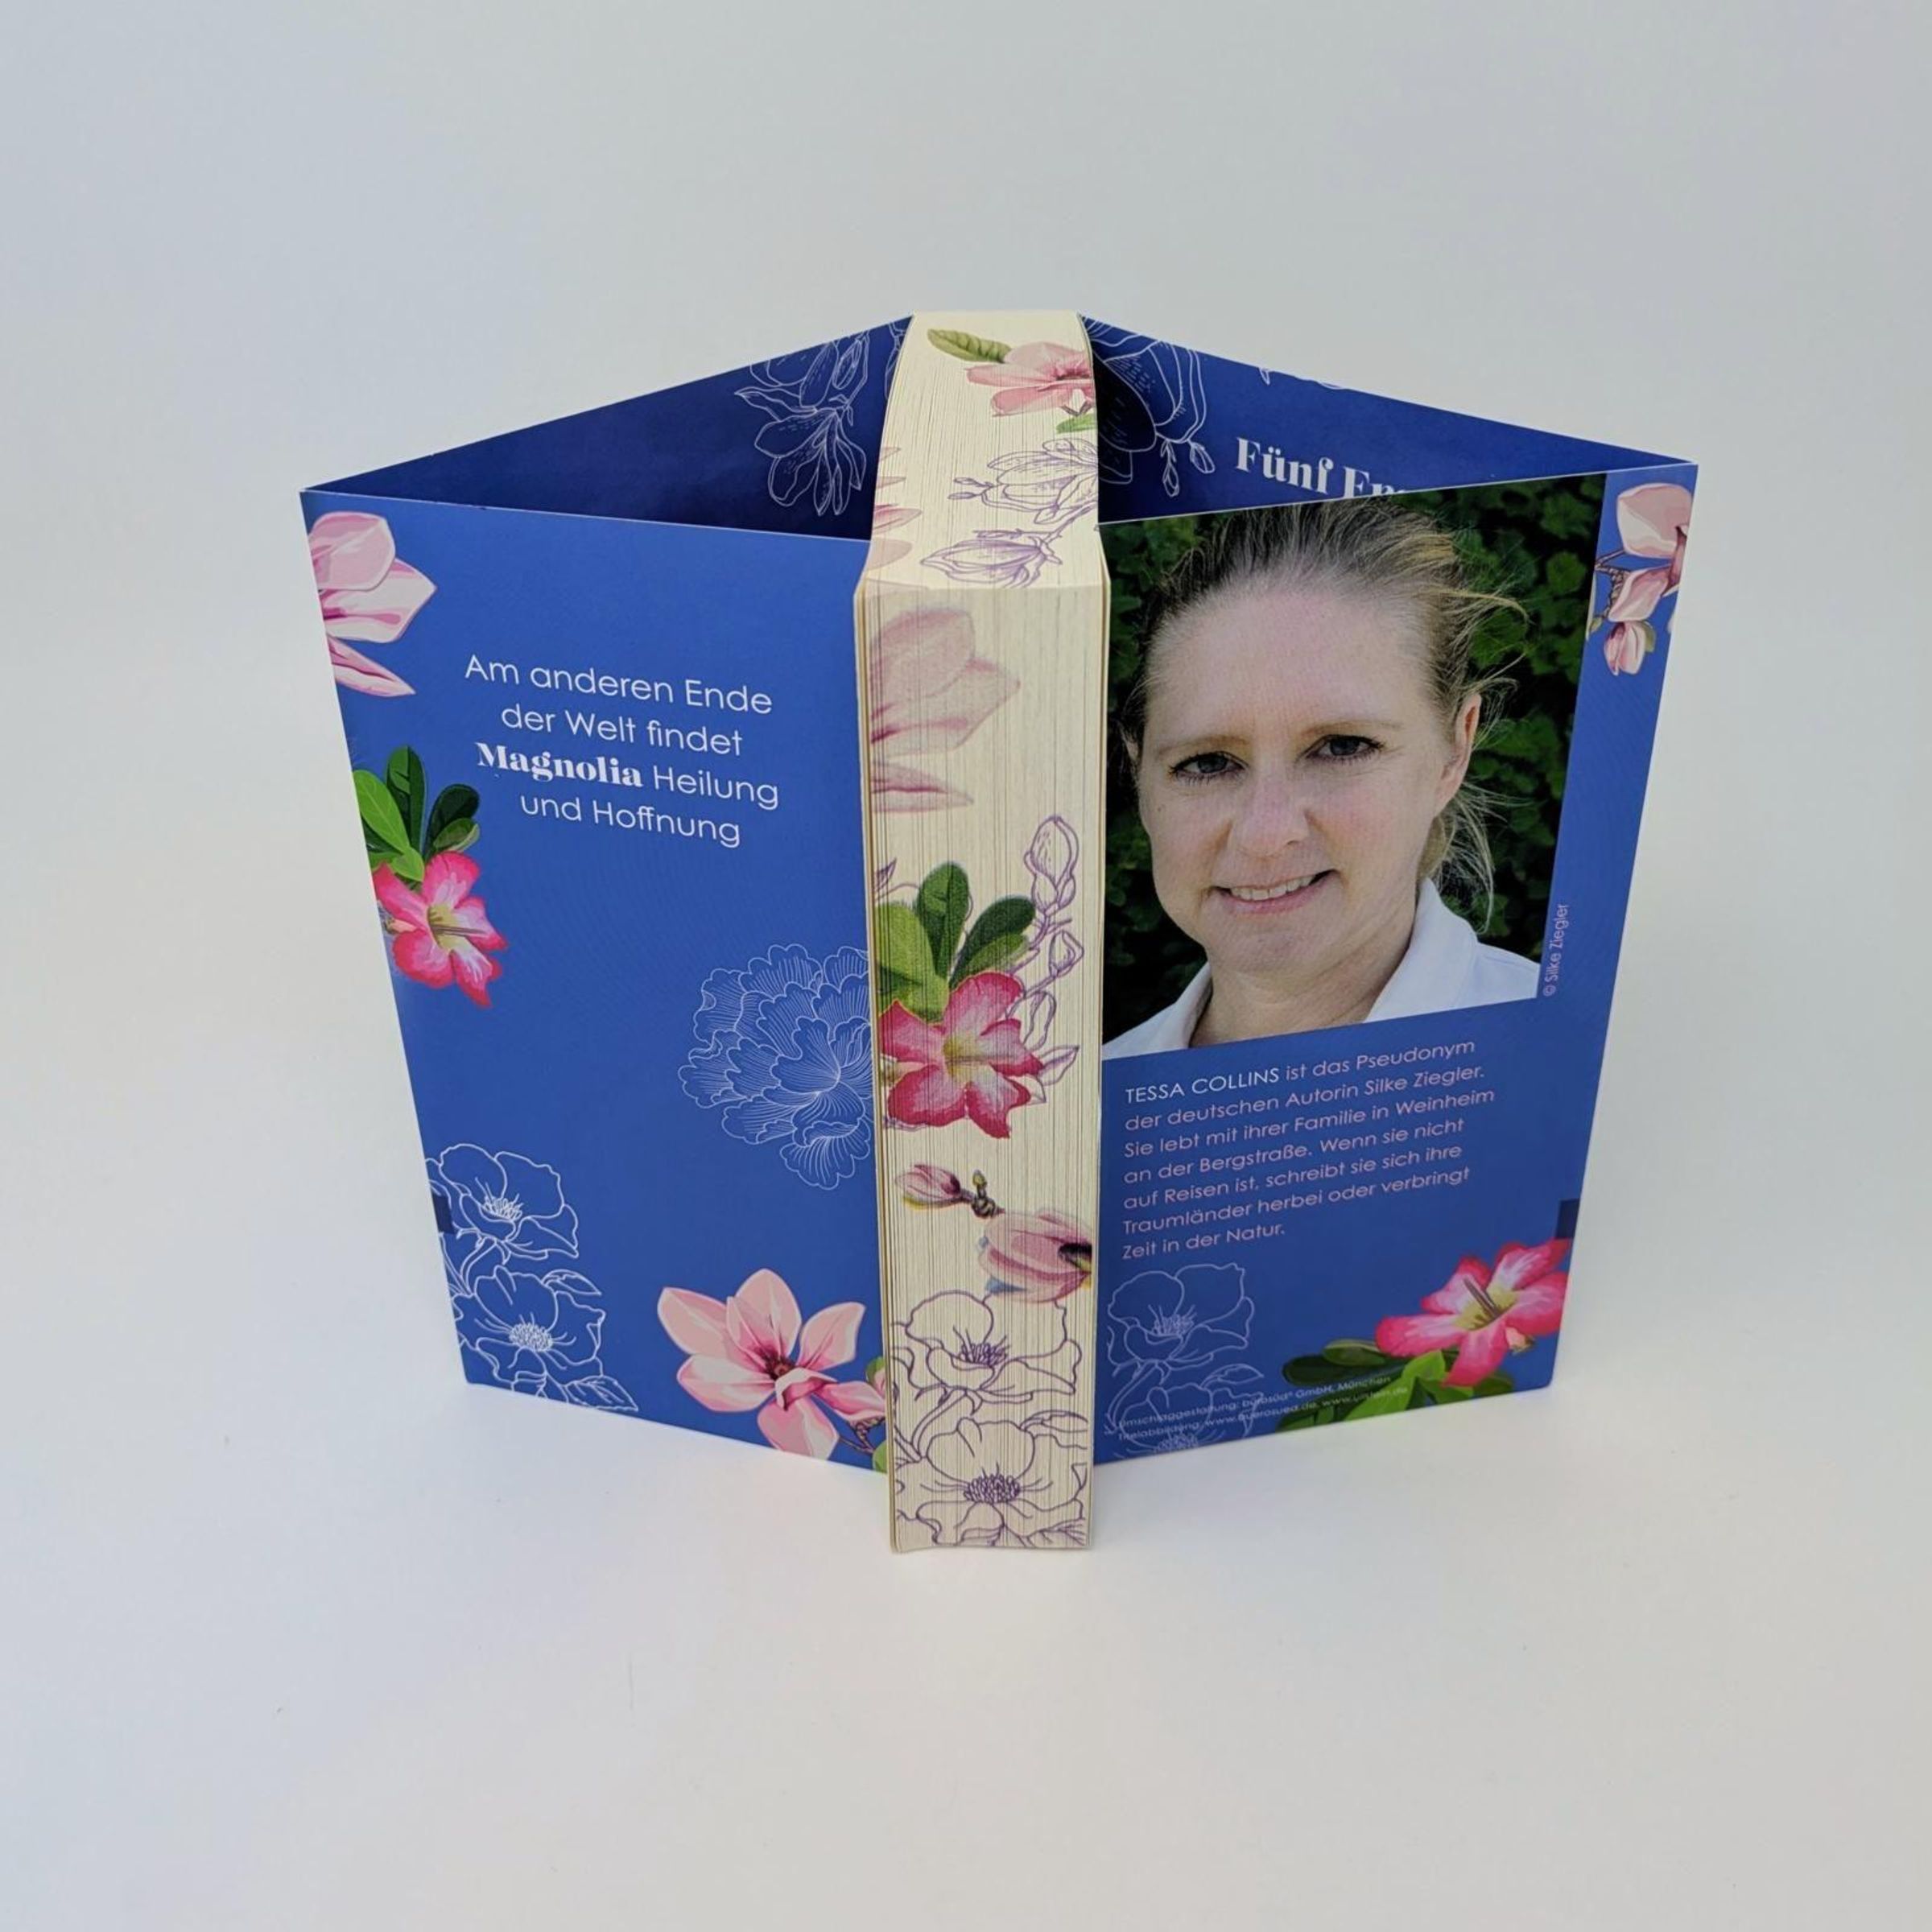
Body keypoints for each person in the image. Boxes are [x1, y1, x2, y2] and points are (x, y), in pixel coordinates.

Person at [1103, 497, 1540, 1058]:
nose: (1265, 835)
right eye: (1207, 763)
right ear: (1139, 770)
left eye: (1342, 747)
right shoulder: (1074, 1101)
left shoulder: (1591, 1061)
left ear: (1455, 749)